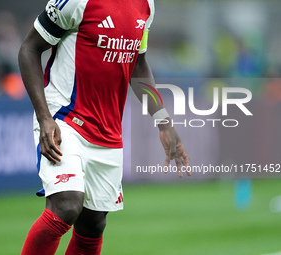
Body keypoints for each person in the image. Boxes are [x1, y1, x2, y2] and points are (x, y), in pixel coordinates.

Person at [18, 0, 191, 254]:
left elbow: (139, 64)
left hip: (108, 131)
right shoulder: (77, 2)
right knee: (67, 205)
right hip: (64, 118)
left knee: (93, 224)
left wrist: (163, 122)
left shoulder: (146, 5)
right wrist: (45, 118)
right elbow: (29, 49)